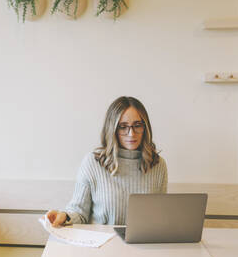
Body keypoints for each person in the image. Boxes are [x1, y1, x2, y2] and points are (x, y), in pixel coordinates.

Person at [46, 96, 167, 227]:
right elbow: (79, 213)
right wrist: (65, 216)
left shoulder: (158, 165)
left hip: (142, 244)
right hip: (102, 244)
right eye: (123, 127)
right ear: (113, 129)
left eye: (137, 125)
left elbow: (158, 217)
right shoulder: (92, 163)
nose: (131, 134)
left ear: (145, 127)